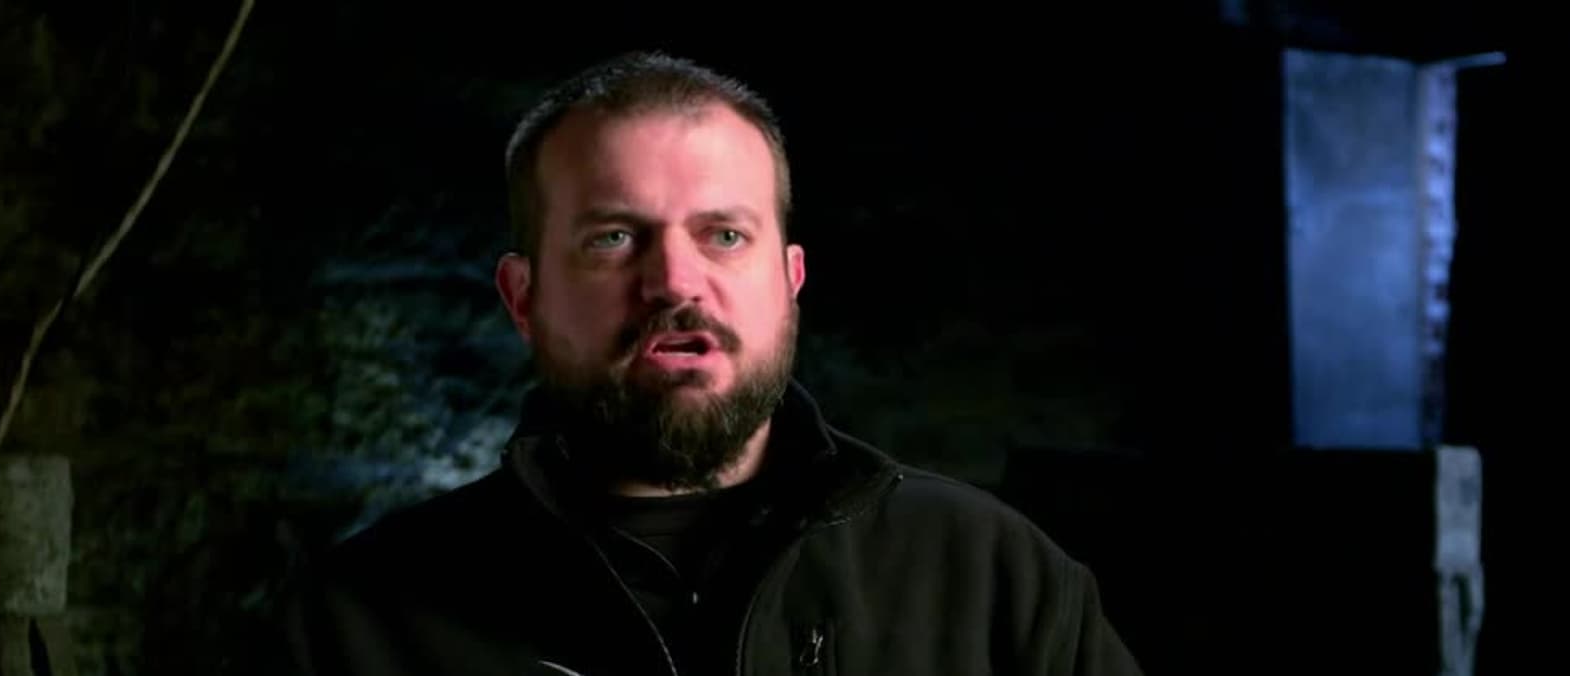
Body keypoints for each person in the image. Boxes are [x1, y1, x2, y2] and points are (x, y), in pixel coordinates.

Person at [284, 51, 1144, 676]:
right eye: (613, 238)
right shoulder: (357, 625)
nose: (673, 281)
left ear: (790, 281)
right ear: (523, 298)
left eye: (724, 235)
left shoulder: (991, 578)